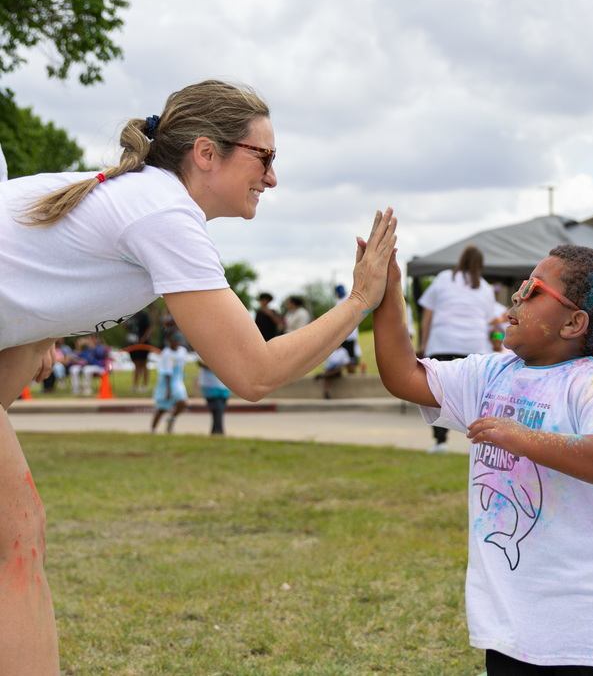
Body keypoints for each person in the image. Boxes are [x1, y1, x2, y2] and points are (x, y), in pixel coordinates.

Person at [0, 78, 397, 675]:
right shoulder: (164, 212)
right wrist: (359, 300)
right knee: (17, 541)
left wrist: (34, 338)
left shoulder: (140, 200)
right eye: (264, 157)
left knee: (18, 534)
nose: (272, 177)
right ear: (206, 154)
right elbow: (254, 373)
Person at [374, 244, 593, 674]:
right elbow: (403, 375)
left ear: (574, 323)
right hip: (513, 628)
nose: (517, 297)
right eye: (522, 286)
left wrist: (525, 438)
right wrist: (388, 290)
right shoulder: (490, 374)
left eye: (535, 290)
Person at [416, 244, 498, 454]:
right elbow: (490, 321)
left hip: (442, 341)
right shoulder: (486, 288)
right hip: (475, 346)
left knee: (438, 394)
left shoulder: (444, 278)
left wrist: (423, 343)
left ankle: (440, 441)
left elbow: (428, 314)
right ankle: (479, 443)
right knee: (476, 397)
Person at [151, 330, 189, 434]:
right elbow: (167, 372)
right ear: (169, 340)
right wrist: (169, 389)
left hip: (178, 380)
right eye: (175, 338)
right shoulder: (166, 354)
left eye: (179, 338)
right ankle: (152, 430)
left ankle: (172, 418)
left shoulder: (183, 351)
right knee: (162, 408)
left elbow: (182, 366)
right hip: (167, 381)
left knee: (183, 402)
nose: (178, 341)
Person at [124, 308, 155, 391]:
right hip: (132, 343)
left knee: (143, 363)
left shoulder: (144, 315)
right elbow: (126, 327)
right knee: (136, 364)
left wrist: (144, 338)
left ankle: (144, 385)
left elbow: (150, 326)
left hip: (143, 343)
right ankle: (135, 385)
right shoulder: (130, 315)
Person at [196, 359, 231, 435]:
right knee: (217, 409)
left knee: (220, 410)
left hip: (224, 386)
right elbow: (200, 362)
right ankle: (219, 432)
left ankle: (216, 432)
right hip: (210, 386)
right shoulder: (205, 348)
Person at [334, 284, 361, 373]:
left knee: (348, 358)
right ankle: (351, 375)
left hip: (346, 335)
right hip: (351, 334)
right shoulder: (350, 301)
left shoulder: (340, 303)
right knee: (350, 357)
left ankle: (351, 375)